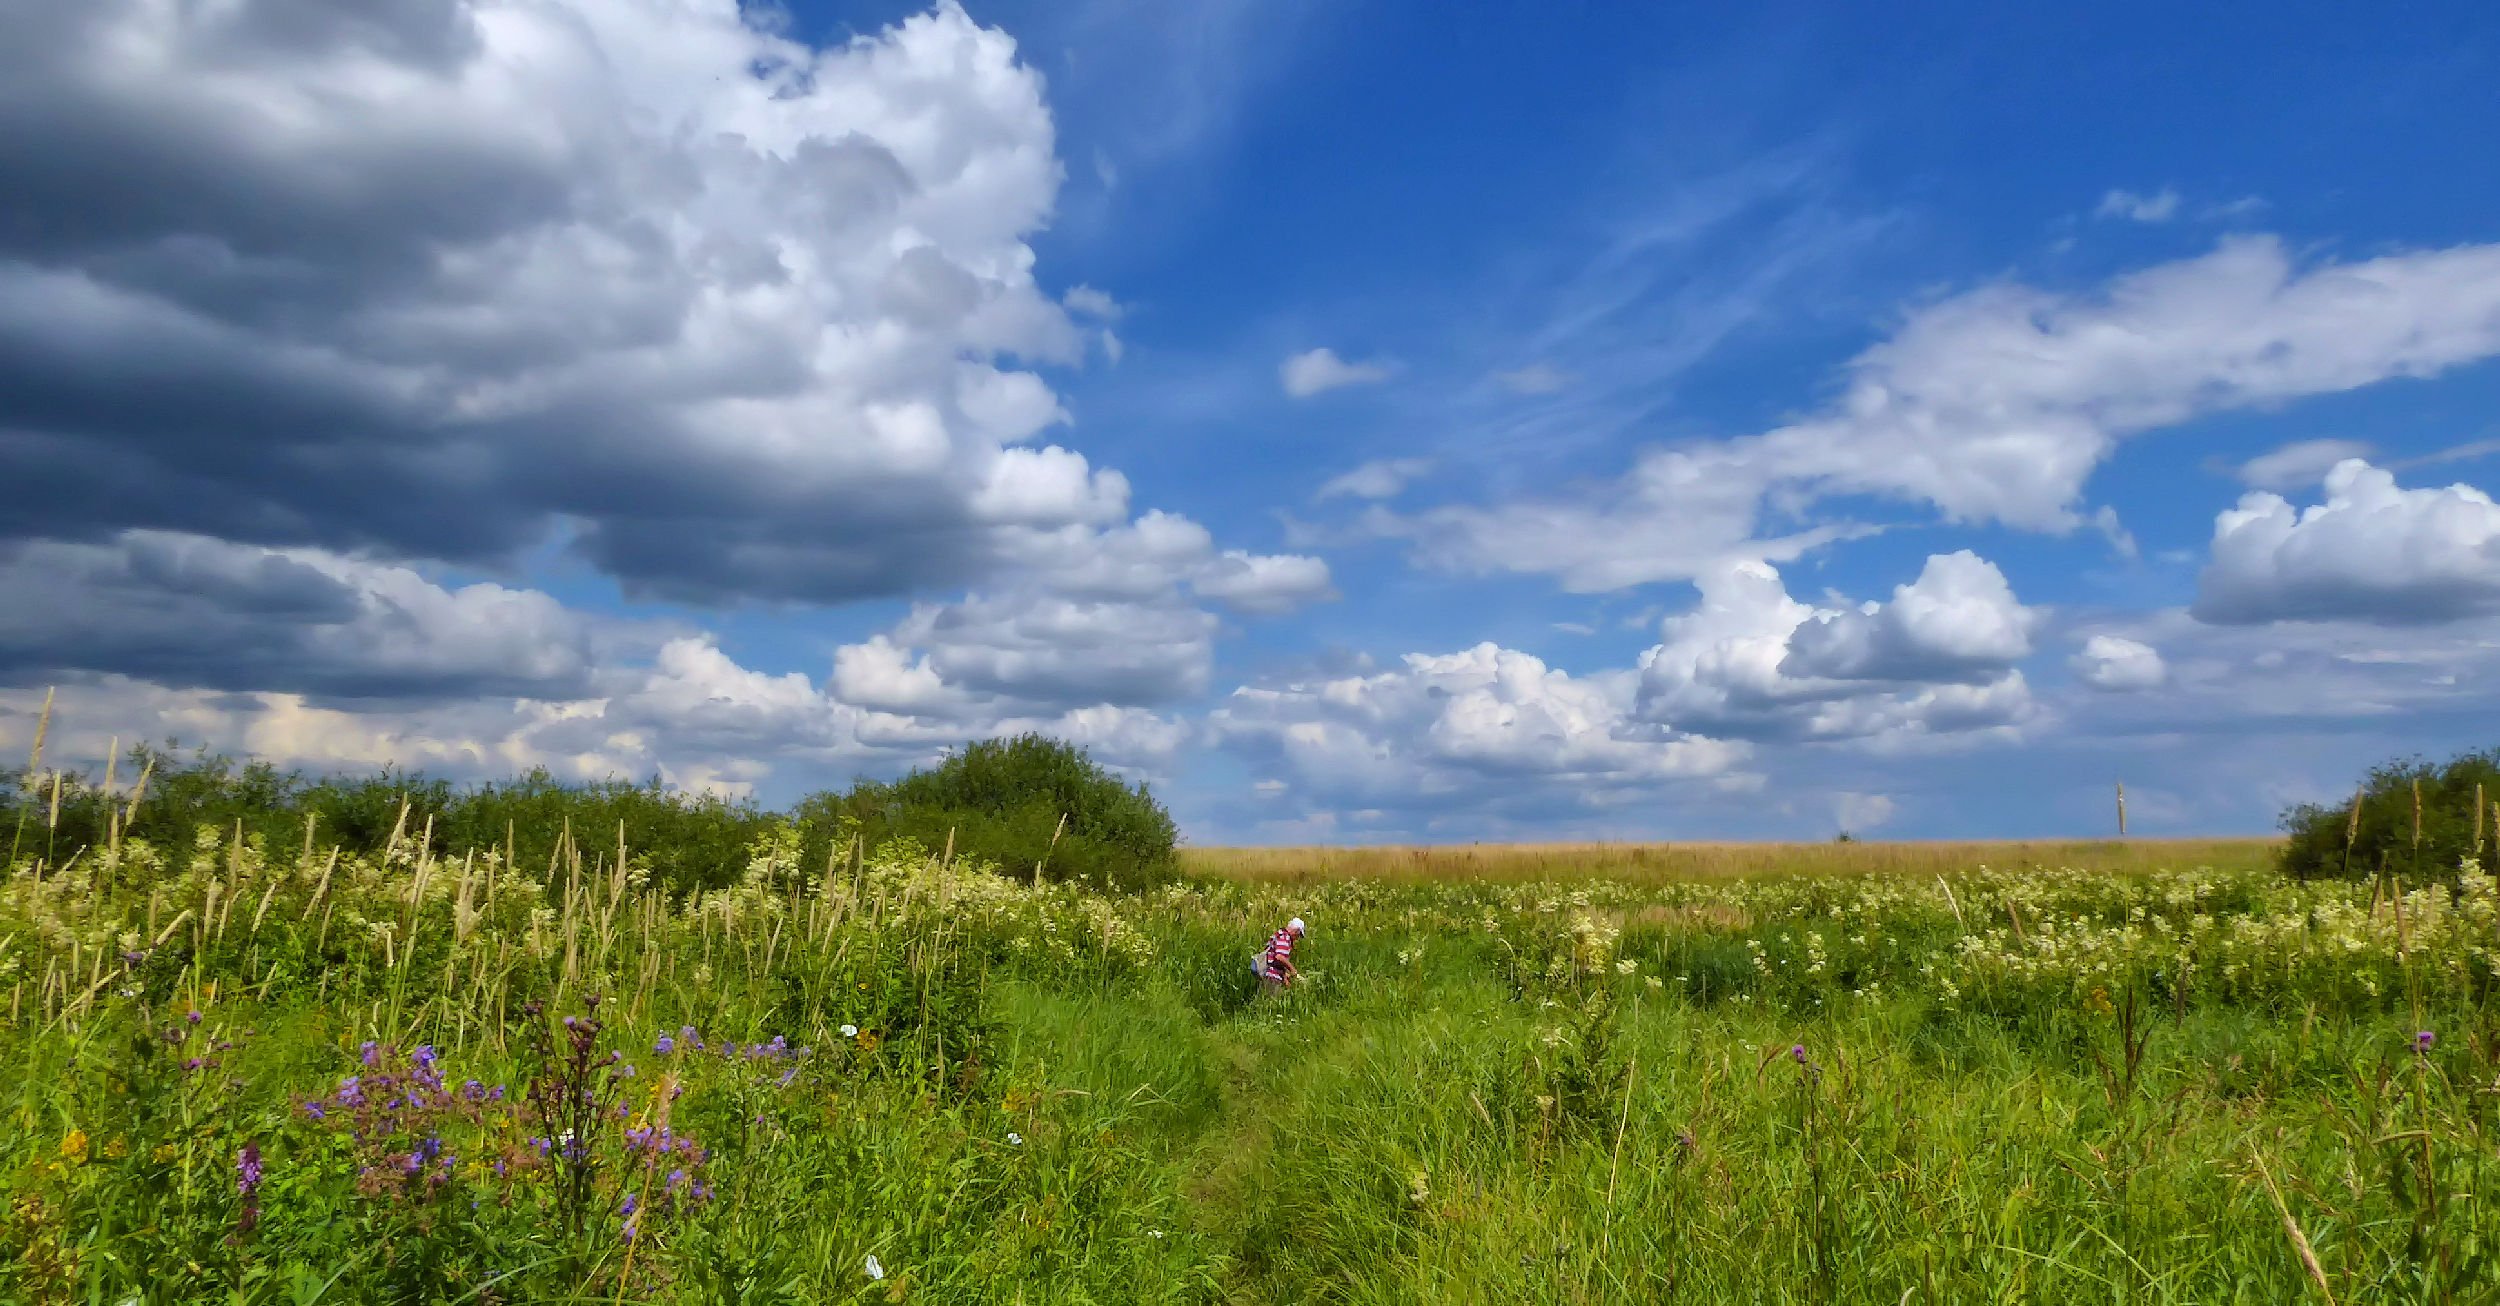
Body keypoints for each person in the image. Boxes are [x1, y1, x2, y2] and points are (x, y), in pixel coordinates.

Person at [1255, 917, 1305, 993]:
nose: (1297, 938)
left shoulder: (1279, 935)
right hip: (1272, 976)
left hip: (1269, 974)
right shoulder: (1285, 937)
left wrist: (1284, 977)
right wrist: (1292, 969)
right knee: (1270, 1001)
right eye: (1299, 935)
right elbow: (1279, 957)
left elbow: (1277, 962)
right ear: (1296, 931)